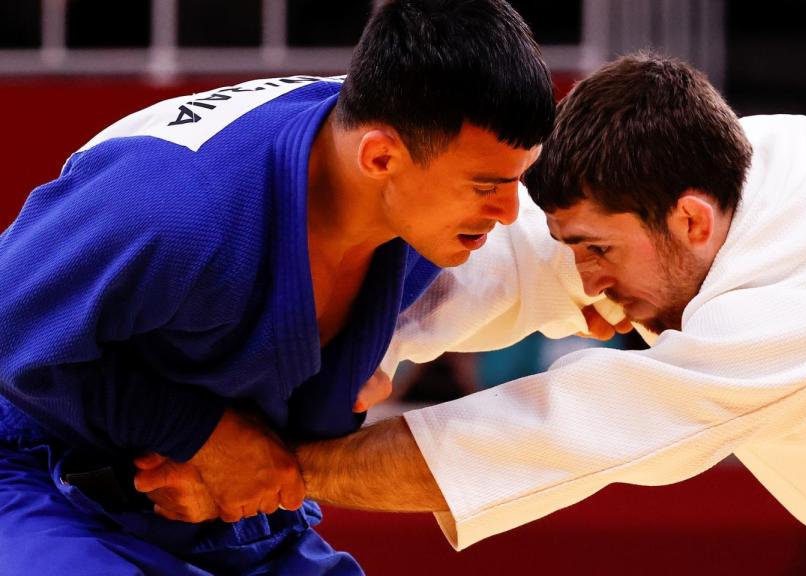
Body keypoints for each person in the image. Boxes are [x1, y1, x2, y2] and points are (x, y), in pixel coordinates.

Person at [278, 53, 806, 574]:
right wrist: (372, 347)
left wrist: (277, 469)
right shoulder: (756, 157)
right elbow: (528, 256)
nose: (586, 277)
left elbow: (552, 435)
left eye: (600, 251)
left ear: (693, 223)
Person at [0, 1, 619, 573]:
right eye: (488, 187)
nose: (509, 210)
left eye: (518, 180)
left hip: (235, 517)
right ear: (379, 160)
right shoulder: (173, 207)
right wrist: (201, 434)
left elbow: (563, 255)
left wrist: (610, 289)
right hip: (36, 483)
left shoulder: (419, 182)